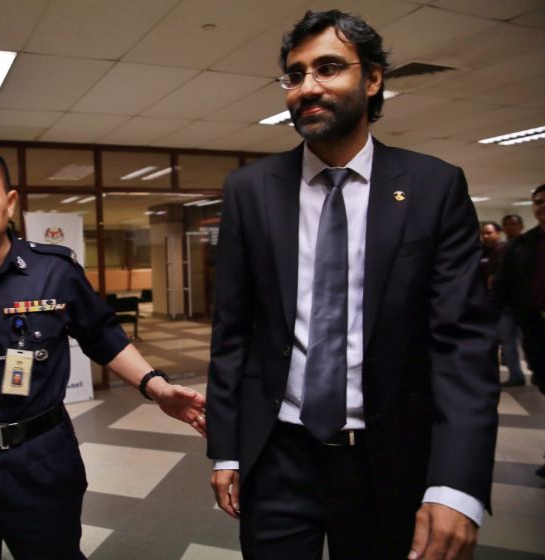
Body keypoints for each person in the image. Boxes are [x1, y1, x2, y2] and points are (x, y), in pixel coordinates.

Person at [206, 10, 498, 560]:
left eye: (329, 68)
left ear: (373, 79)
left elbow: (462, 347)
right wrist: (226, 450)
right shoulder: (250, 190)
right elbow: (234, 332)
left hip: (388, 458)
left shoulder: (433, 186)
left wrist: (457, 483)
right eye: (295, 75)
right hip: (278, 454)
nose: (307, 87)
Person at [0, 144, 207, 559]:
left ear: (9, 201)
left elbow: (103, 335)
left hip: (41, 465)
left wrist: (155, 387)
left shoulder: (55, 271)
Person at [496, 184, 545, 477]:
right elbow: (503, 285)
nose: (542, 206)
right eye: (538, 202)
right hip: (536, 327)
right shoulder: (523, 245)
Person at [498, 214, 527, 387]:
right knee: (508, 344)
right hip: (506, 305)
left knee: (531, 342)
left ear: (521, 226)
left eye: (514, 224)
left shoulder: (530, 245)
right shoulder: (500, 249)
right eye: (507, 224)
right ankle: (516, 375)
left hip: (526, 304)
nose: (510, 227)